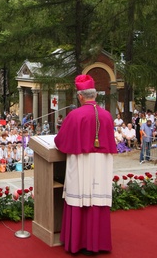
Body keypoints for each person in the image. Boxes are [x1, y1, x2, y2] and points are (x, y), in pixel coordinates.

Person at [54, 75, 117, 255]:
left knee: (79, 198)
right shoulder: (106, 116)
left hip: (81, 162)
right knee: (97, 200)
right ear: (95, 95)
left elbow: (61, 141)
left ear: (80, 96)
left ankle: (77, 243)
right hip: (101, 164)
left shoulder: (75, 115)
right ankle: (98, 243)